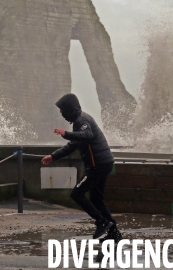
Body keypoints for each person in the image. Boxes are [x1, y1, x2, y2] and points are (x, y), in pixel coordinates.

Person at [41, 93, 122, 241]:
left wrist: (66, 133)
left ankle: (102, 222)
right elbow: (73, 145)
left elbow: (87, 134)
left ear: (69, 109)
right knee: (97, 199)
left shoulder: (82, 120)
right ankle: (114, 234)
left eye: (62, 110)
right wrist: (53, 156)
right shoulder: (80, 120)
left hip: (98, 166)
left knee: (77, 194)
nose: (61, 113)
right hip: (103, 164)